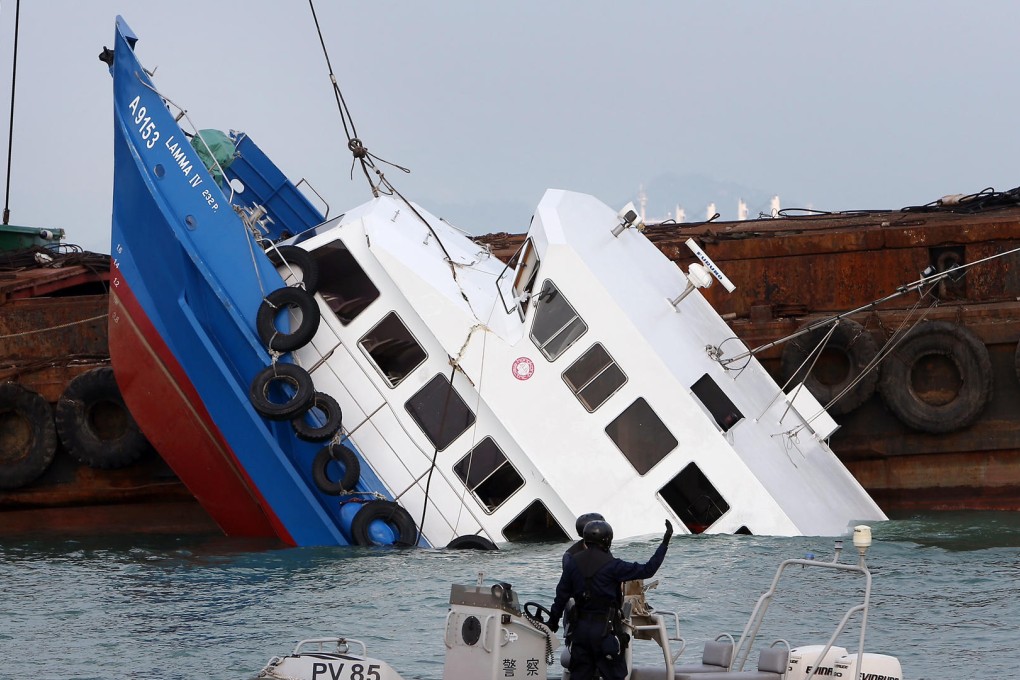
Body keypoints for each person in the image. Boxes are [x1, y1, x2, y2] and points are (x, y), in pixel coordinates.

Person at [548, 519, 673, 680]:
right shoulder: (613, 565)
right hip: (603, 631)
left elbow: (561, 597)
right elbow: (648, 570)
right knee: (615, 674)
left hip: (579, 632)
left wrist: (552, 622)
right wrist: (665, 543)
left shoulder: (572, 563)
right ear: (607, 540)